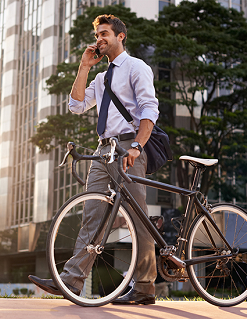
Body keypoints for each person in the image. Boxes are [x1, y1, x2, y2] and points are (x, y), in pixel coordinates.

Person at [29, 14, 159, 305]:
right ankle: (72, 282)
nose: (99, 38)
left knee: (138, 219)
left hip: (129, 147)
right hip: (103, 150)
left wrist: (138, 145)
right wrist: (84, 66)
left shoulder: (136, 67)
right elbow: (76, 106)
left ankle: (144, 288)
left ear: (120, 36)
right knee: (91, 213)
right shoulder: (101, 79)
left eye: (104, 34)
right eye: (97, 34)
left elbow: (150, 109)